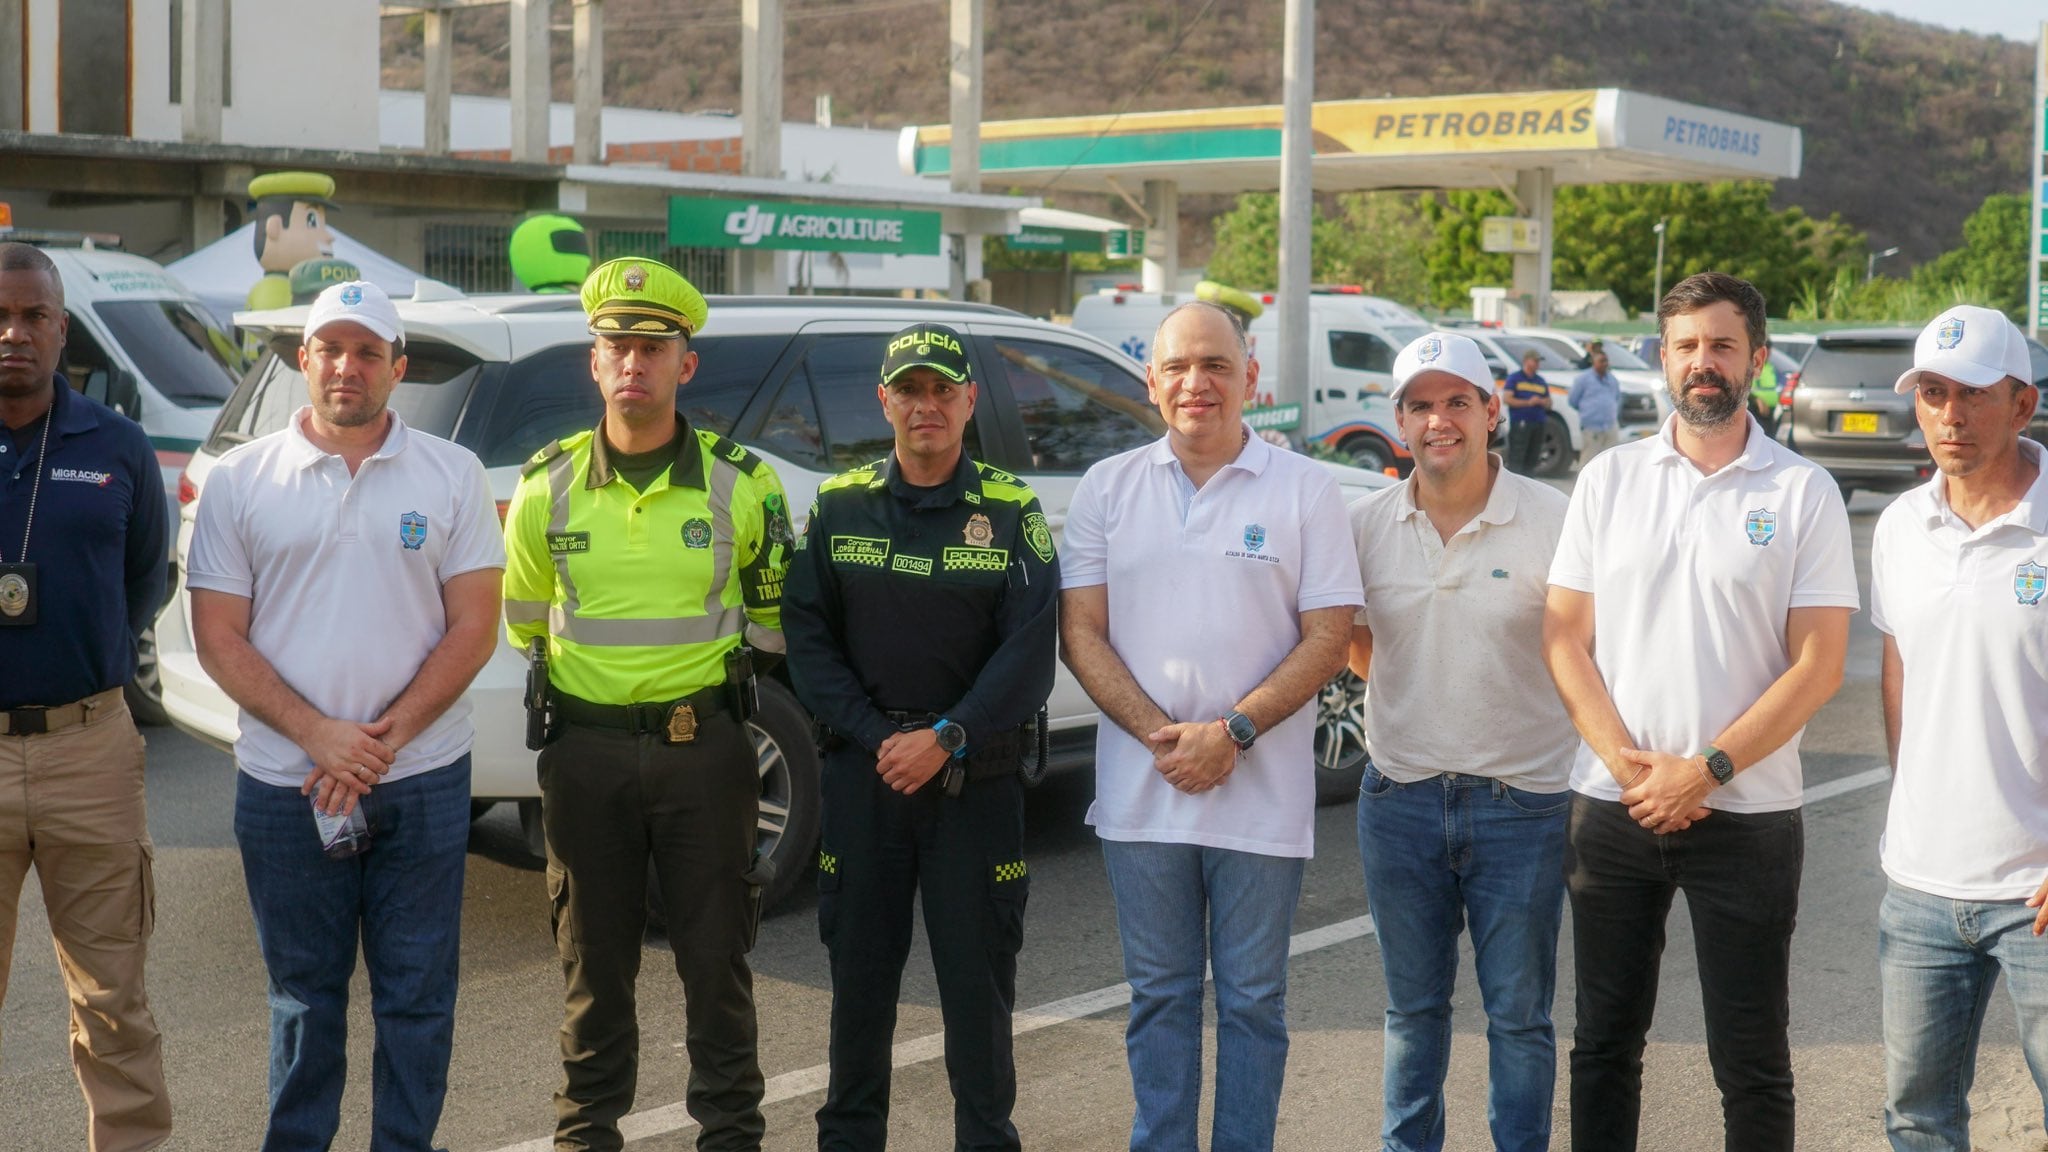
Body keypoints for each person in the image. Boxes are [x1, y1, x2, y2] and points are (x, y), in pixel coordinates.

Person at [1542, 271, 1858, 1151]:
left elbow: (1819, 664)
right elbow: (1565, 636)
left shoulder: (1802, 492)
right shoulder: (1609, 481)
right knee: (1604, 1046)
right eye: (1685, 346)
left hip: (1747, 816)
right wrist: (1626, 766)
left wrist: (1707, 769)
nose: (1703, 363)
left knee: (1751, 1059)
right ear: (1663, 359)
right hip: (1614, 809)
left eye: (1722, 345)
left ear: (1757, 357)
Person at [187, 280, 504, 1152]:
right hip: (286, 787)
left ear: (397, 369)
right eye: (331, 348)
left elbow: (476, 625)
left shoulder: (453, 474)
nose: (347, 367)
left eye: (369, 352)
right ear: (303, 360)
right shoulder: (243, 481)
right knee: (302, 1002)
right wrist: (319, 736)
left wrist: (378, 742)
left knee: (416, 999)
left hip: (424, 782)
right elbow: (219, 637)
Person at [501, 257, 791, 1152]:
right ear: (592, 363)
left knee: (718, 966)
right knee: (594, 971)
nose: (633, 362)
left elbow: (777, 628)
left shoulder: (746, 485)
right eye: (616, 346)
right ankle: (586, 1136)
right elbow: (525, 625)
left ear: (685, 366)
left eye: (653, 348)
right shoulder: (543, 487)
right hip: (584, 759)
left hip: (705, 754)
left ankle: (731, 1138)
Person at [1059, 301, 1361, 1152]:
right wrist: (1169, 737)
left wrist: (1229, 733)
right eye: (1179, 368)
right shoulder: (1107, 488)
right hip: (1142, 794)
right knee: (1157, 996)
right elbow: (1081, 630)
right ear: (1152, 383)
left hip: (1261, 803)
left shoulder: (1307, 490)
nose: (1198, 384)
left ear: (1250, 380)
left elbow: (1330, 638)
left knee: (1253, 1003)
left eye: (1217, 366)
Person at [783, 322, 1060, 1151]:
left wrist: (948, 735)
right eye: (910, 390)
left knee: (978, 998)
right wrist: (881, 739)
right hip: (868, 782)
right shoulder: (839, 506)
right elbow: (809, 643)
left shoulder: (1012, 509)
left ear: (970, 400)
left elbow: (1030, 652)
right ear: (884, 402)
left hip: (975, 785)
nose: (926, 405)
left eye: (943, 390)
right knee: (860, 992)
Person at [1349, 331, 1575, 1152]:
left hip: (1524, 808)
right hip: (1399, 798)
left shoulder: (1556, 518)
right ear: (1399, 421)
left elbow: (1586, 651)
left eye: (1455, 403)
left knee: (1518, 1020)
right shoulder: (1365, 523)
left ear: (1490, 412)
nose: (1438, 420)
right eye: (1420, 405)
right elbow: (1356, 638)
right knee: (1412, 1014)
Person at [0, 242, 171, 1152]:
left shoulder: (118, 447)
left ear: (63, 329)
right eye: (0, 316)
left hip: (88, 749)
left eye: (33, 316)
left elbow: (145, 578)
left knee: (112, 1001)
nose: (13, 333)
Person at [1869, 305, 2048, 1152]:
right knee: (1918, 1117)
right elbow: (1900, 663)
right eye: (1932, 393)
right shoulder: (1902, 527)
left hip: (2038, 892)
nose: (1950, 414)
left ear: (2022, 403)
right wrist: (1913, 799)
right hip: (1921, 891)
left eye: (1972, 394)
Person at [1567, 347, 1623, 471]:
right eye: (1601, 361)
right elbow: (1573, 400)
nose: (1605, 364)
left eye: (1606, 361)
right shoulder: (1583, 379)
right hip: (1591, 427)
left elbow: (1617, 398)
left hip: (1609, 426)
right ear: (1594, 362)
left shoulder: (1612, 380)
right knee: (1589, 460)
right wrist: (1588, 412)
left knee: (1610, 460)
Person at [1501, 349, 1551, 474]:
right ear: (1526, 361)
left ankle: (1529, 482)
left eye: (1539, 361)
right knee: (1517, 456)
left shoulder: (1540, 380)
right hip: (1521, 422)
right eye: (1535, 360)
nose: (1538, 364)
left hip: (1538, 422)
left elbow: (1549, 402)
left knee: (1533, 456)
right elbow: (1507, 399)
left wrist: (1542, 402)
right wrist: (1528, 402)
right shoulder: (1515, 378)